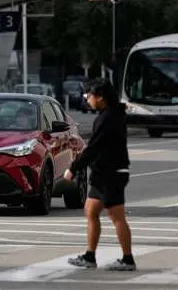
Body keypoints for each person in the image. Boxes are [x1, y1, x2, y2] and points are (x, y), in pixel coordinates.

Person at [64, 78, 135, 271]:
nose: (87, 99)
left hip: (111, 174)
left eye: (89, 95)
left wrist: (74, 168)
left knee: (116, 216)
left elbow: (93, 148)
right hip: (103, 174)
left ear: (100, 97)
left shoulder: (108, 118)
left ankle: (128, 259)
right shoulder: (112, 115)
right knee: (91, 210)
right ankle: (89, 256)